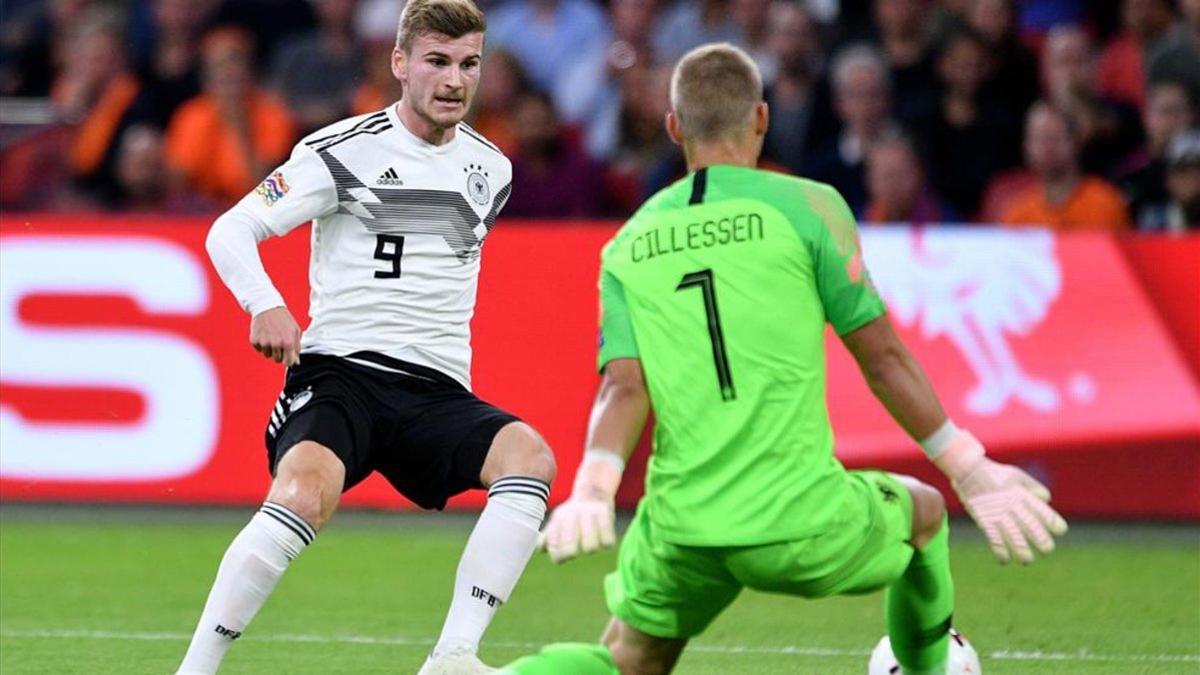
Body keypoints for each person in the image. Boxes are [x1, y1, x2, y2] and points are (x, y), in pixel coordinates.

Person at [508, 43, 1068, 675]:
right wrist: (967, 467)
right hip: (797, 518)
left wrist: (593, 489)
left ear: (673, 128)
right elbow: (881, 356)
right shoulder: (809, 207)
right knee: (925, 516)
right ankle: (928, 667)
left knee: (628, 659)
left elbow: (623, 389)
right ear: (762, 120)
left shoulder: (630, 239)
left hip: (684, 523)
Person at [174, 1, 556, 673]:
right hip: (341, 373)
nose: (453, 80)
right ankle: (195, 669)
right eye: (436, 61)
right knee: (302, 495)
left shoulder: (492, 170)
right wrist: (265, 304)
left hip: (435, 390)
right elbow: (230, 229)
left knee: (530, 458)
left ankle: (454, 656)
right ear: (400, 63)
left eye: (468, 63)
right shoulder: (340, 151)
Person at [1001, 102, 1133, 230]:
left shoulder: (1106, 205)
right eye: (1039, 139)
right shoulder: (1018, 217)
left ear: (1076, 142)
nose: (1047, 148)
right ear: (1026, 146)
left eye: (1054, 138)